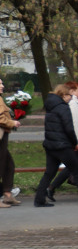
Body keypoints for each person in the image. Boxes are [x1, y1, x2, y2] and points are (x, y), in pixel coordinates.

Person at [34, 84, 78, 207]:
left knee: (49, 172)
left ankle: (39, 199)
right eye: (69, 96)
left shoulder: (50, 106)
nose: (71, 98)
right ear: (64, 95)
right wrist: (75, 143)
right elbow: (69, 128)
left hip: (50, 144)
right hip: (62, 145)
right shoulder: (63, 108)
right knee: (77, 171)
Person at [48, 81, 78, 199]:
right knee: (76, 167)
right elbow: (75, 124)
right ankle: (52, 188)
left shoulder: (76, 103)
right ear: (71, 91)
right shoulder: (73, 104)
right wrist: (77, 142)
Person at [0, 76, 21, 207]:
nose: (2, 86)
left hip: (3, 136)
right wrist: (12, 122)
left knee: (9, 165)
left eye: (2, 83)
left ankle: (7, 194)